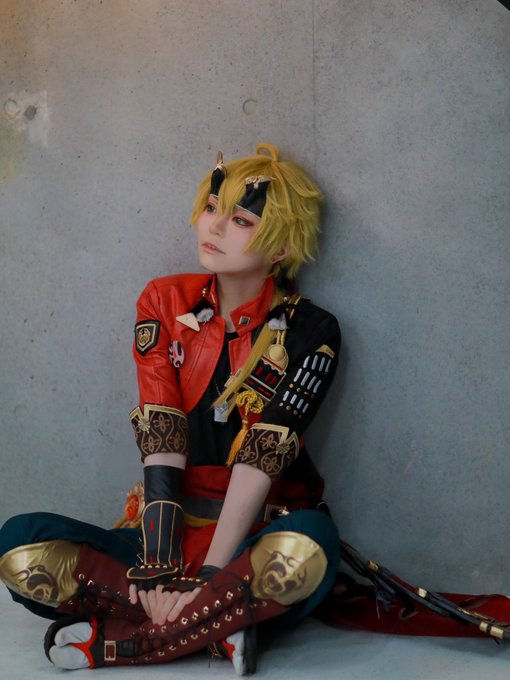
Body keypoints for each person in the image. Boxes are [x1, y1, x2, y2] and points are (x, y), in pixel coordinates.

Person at [0, 143, 342, 673]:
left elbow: (260, 459)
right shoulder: (163, 301)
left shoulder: (313, 330)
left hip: (248, 538)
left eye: (241, 220)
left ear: (279, 247)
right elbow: (161, 431)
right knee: (18, 545)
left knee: (309, 549)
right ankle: (220, 627)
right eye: (212, 208)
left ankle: (115, 643)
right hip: (165, 532)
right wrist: (159, 569)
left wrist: (208, 576)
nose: (214, 226)